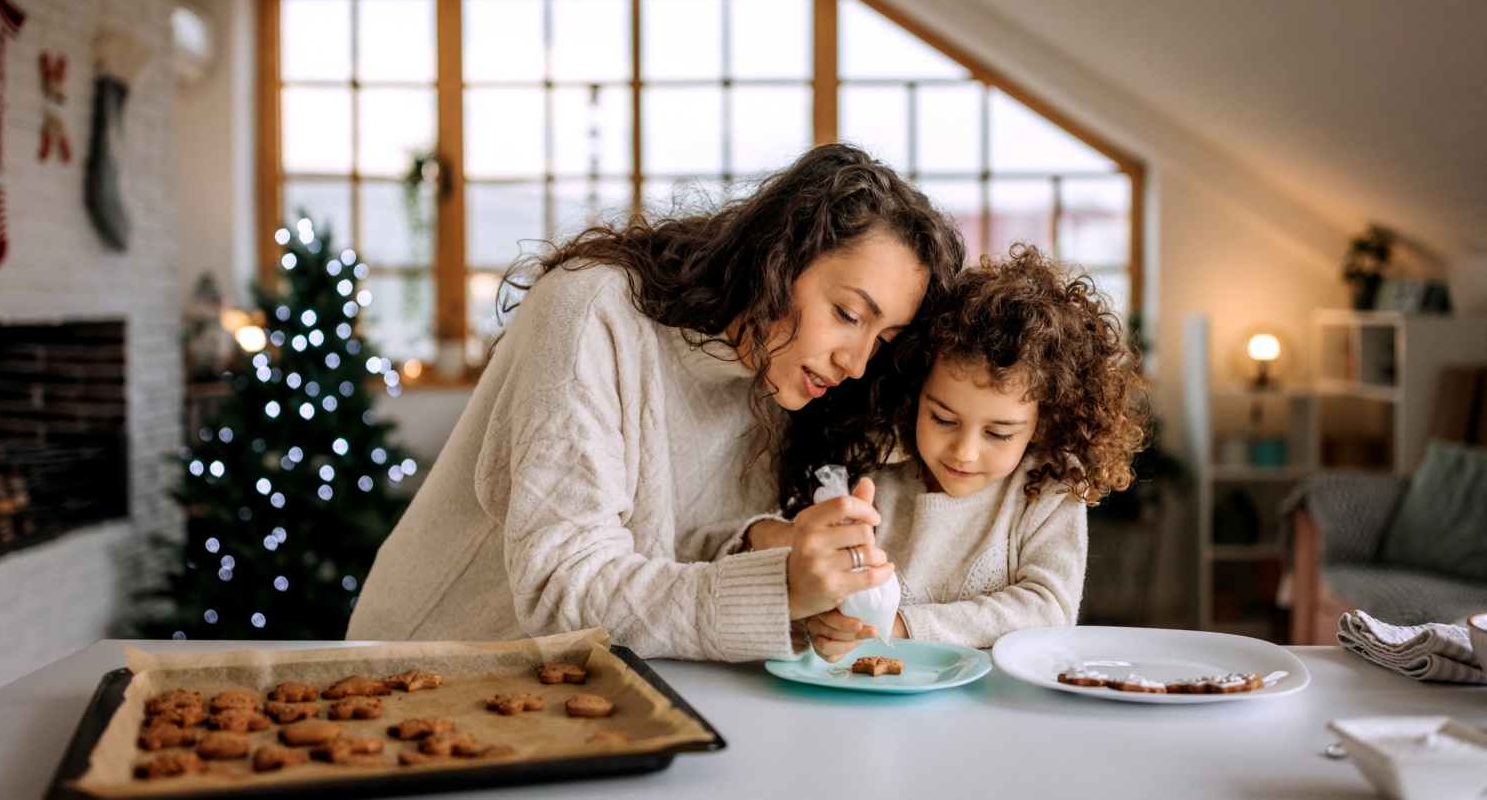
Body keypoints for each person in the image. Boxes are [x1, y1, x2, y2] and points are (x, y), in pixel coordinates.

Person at [346, 144, 966, 661]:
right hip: (423, 665)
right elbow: (564, 585)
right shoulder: (591, 311)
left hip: (588, 684)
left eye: (881, 338)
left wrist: (786, 558)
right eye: (848, 314)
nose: (855, 363)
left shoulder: (780, 374)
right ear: (778, 257)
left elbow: (682, 545)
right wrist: (778, 589)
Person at [751, 246, 1147, 660]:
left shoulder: (1050, 486)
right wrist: (827, 621)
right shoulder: (873, 475)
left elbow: (1048, 608)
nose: (965, 452)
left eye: (998, 433)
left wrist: (904, 627)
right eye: (942, 419)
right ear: (914, 395)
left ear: (1041, 425)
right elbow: (819, 586)